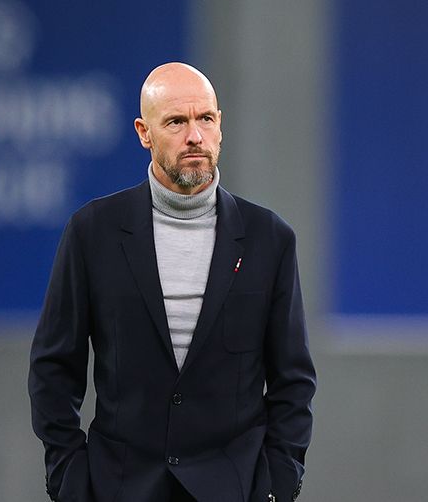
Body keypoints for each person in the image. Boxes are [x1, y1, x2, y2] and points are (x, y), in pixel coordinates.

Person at [29, 63, 316, 502]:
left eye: (206, 119)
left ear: (220, 125)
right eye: (177, 122)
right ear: (145, 132)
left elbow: (293, 380)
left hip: (234, 488)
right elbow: (53, 367)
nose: (195, 136)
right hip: (120, 488)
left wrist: (277, 482)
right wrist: (69, 480)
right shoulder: (92, 232)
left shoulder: (269, 239)